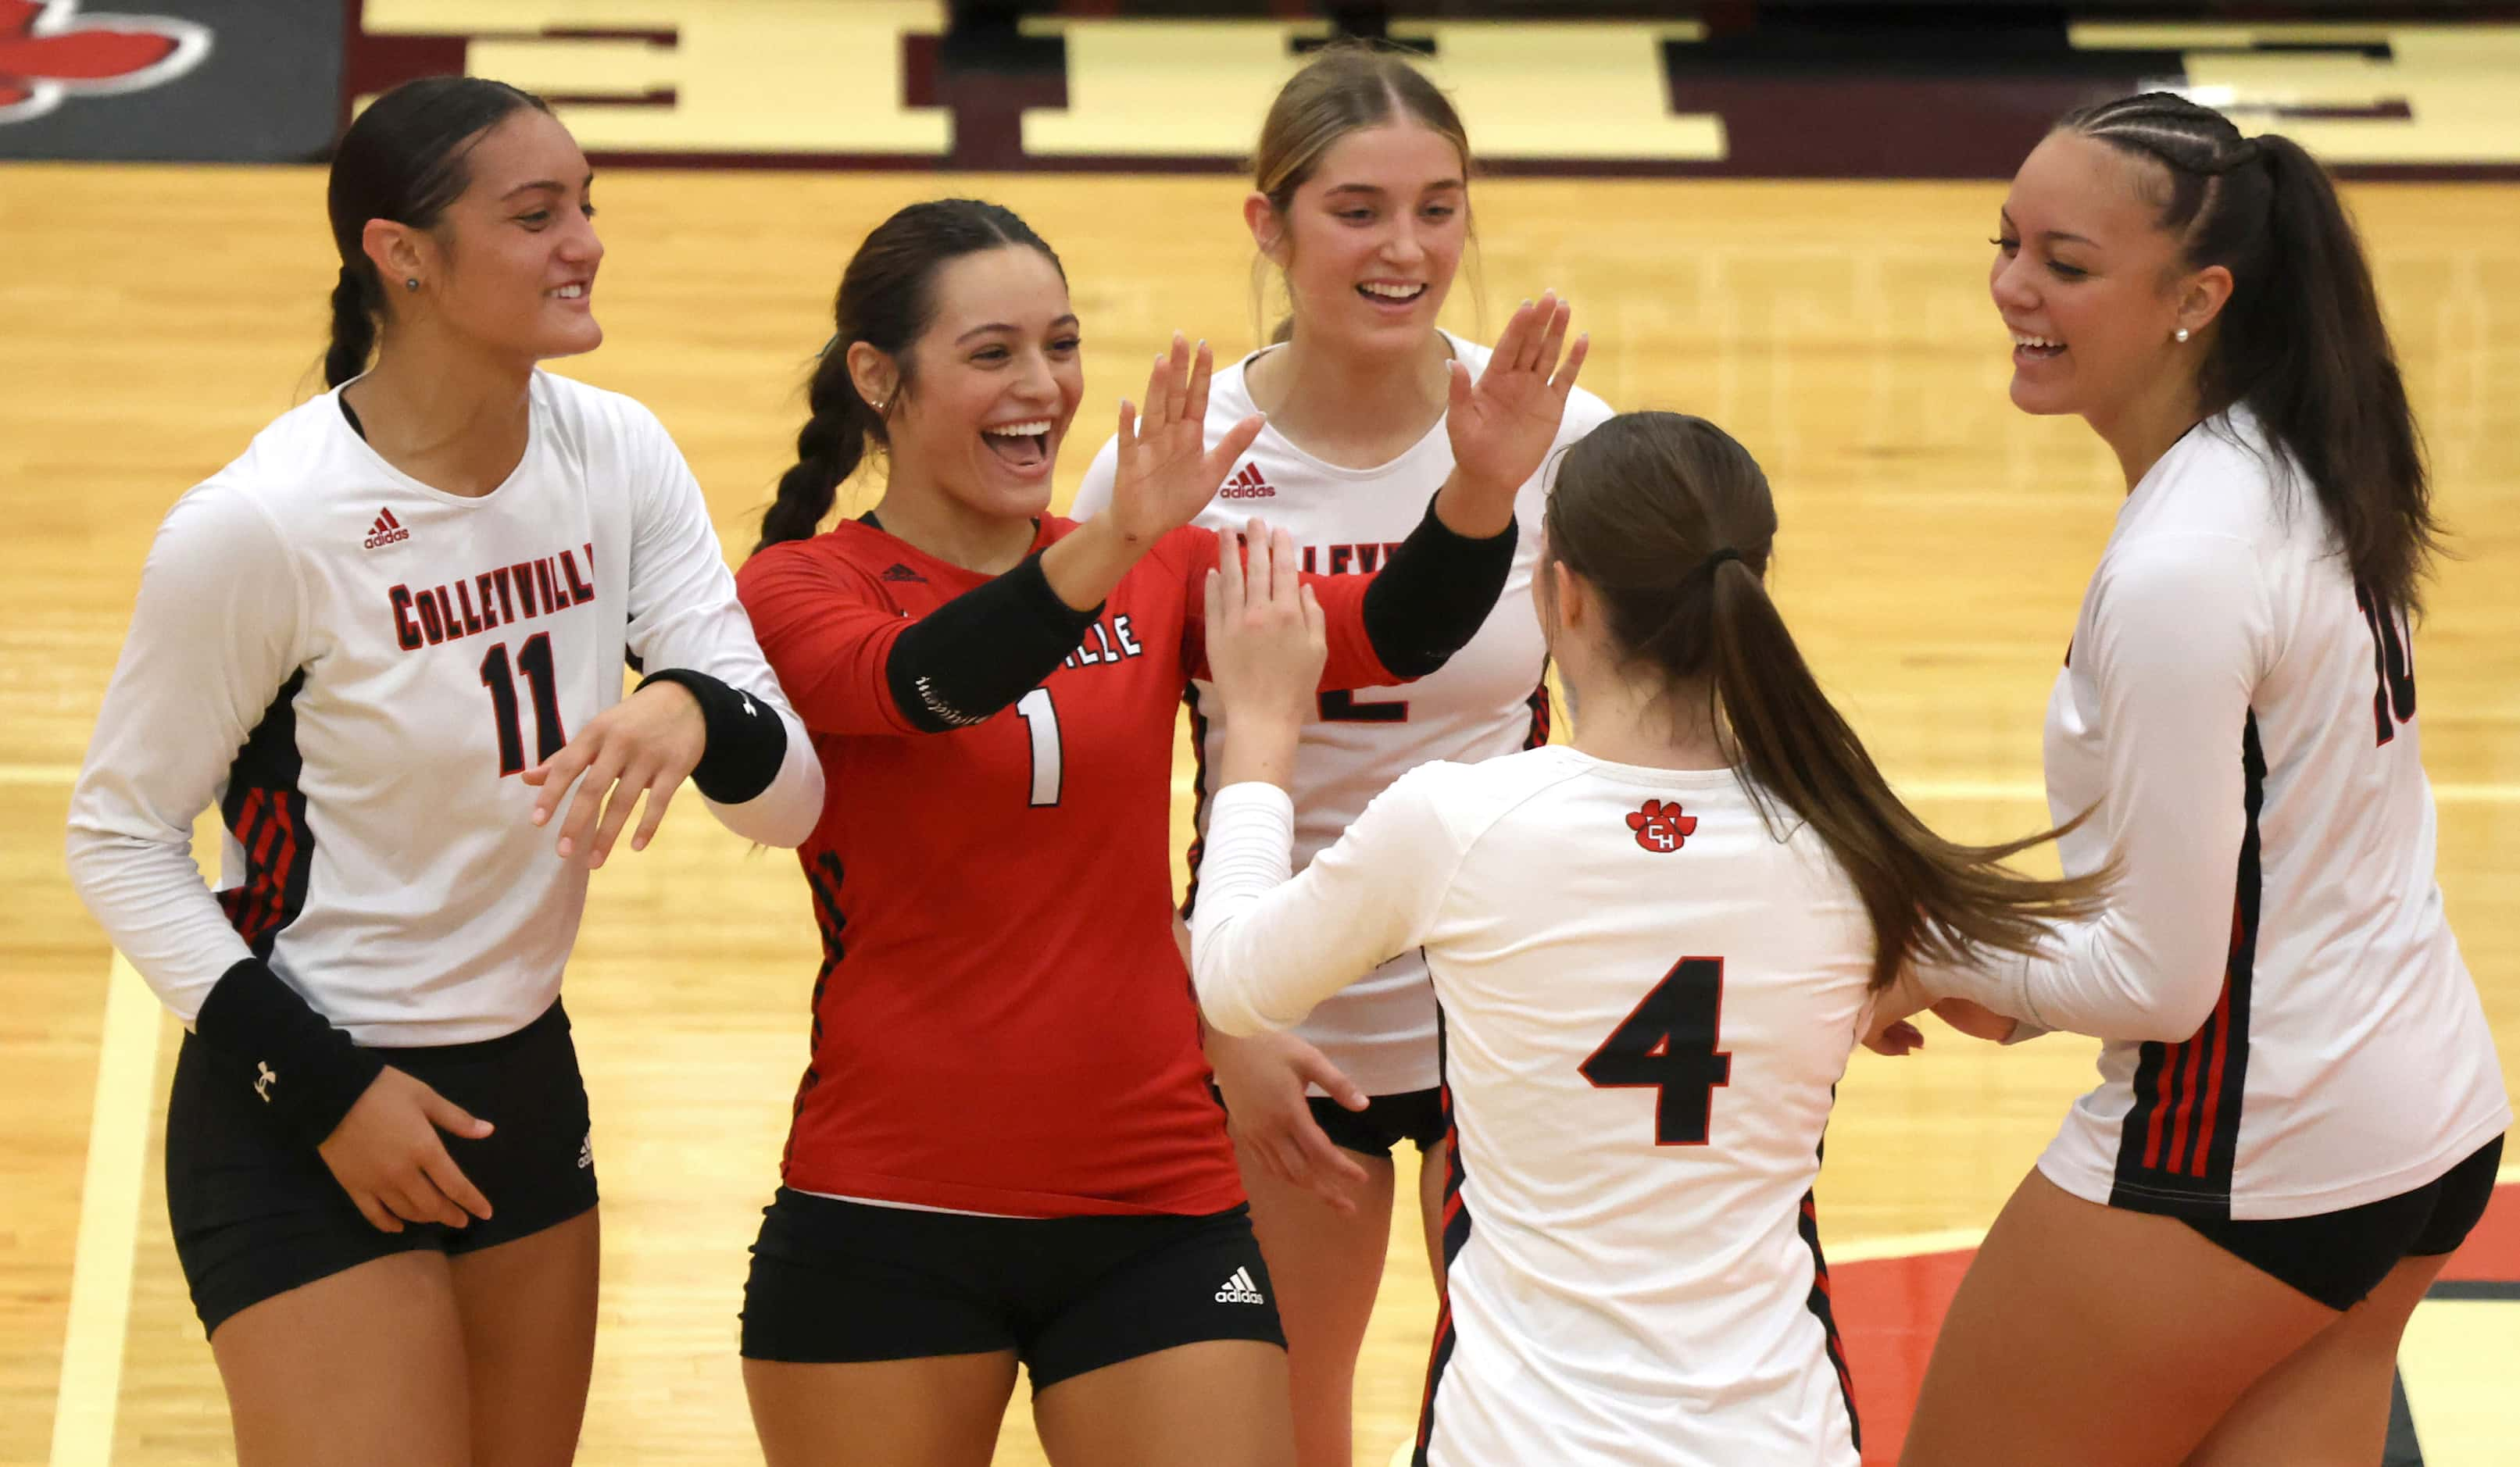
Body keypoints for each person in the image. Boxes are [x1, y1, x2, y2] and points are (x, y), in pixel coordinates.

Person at [730, 196, 1588, 1465]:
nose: (1044, 387)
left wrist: (1477, 489)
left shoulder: (1154, 567)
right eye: (993, 352)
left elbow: (1387, 633)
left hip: (1158, 1196)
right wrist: (1115, 541)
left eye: (1062, 345)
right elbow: (930, 683)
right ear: (877, 375)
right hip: (890, 1200)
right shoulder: (803, 586)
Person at [63, 76, 822, 1467]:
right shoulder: (264, 528)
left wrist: (700, 713)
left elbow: (791, 800)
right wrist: (328, 1088)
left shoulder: (619, 454)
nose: (584, 241)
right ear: (400, 255)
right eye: (536, 216)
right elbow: (116, 836)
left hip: (524, 1075)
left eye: (587, 204)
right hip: (303, 1091)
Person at [1186, 410, 2106, 1466]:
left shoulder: (1456, 821)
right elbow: (2109, 984)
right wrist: (1884, 982)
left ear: (1560, 594)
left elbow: (1234, 980)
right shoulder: (1850, 851)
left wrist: (1258, 731)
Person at [1884, 92, 2510, 1466]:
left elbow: (2166, 982)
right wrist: (2000, 964)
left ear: (2199, 296)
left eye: (2067, 263)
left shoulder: (2186, 562)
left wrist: (1940, 962)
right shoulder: (2299, 468)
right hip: (2420, 1125)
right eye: (2009, 244)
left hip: (2245, 1159)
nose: (2013, 288)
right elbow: (2240, 876)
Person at [1067, 45, 1615, 1462]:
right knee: (1290, 1426)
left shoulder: (1556, 436)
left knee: (1534, 1416)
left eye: (1440, 208)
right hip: (1273, 1027)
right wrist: (1220, 1021)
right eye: (1360, 209)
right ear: (1271, 223)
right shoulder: (1182, 462)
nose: (1409, 248)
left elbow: (1637, 751)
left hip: (1506, 1018)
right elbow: (1107, 801)